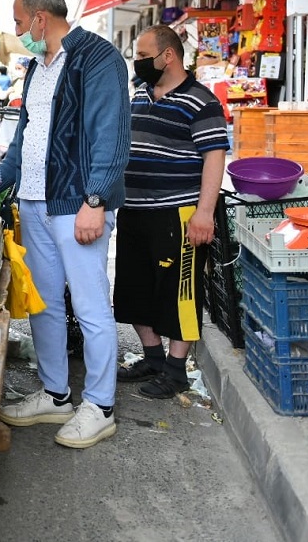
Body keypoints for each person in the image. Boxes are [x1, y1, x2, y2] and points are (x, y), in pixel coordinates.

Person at [0, 0, 129, 449]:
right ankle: (56, 396)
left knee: (91, 307)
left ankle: (100, 406)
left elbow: (111, 135)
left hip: (77, 205)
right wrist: (0, 183)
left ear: (39, 18)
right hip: (33, 203)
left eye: (18, 22)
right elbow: (26, 134)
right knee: (45, 305)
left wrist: (96, 200)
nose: (17, 31)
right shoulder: (36, 67)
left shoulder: (97, 58)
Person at [114, 25, 228, 399]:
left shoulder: (202, 101)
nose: (139, 62)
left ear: (169, 56)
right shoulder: (139, 94)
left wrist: (204, 213)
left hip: (177, 214)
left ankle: (177, 370)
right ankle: (152, 357)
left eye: (145, 56)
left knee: (178, 294)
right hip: (133, 209)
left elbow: (214, 158)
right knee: (134, 290)